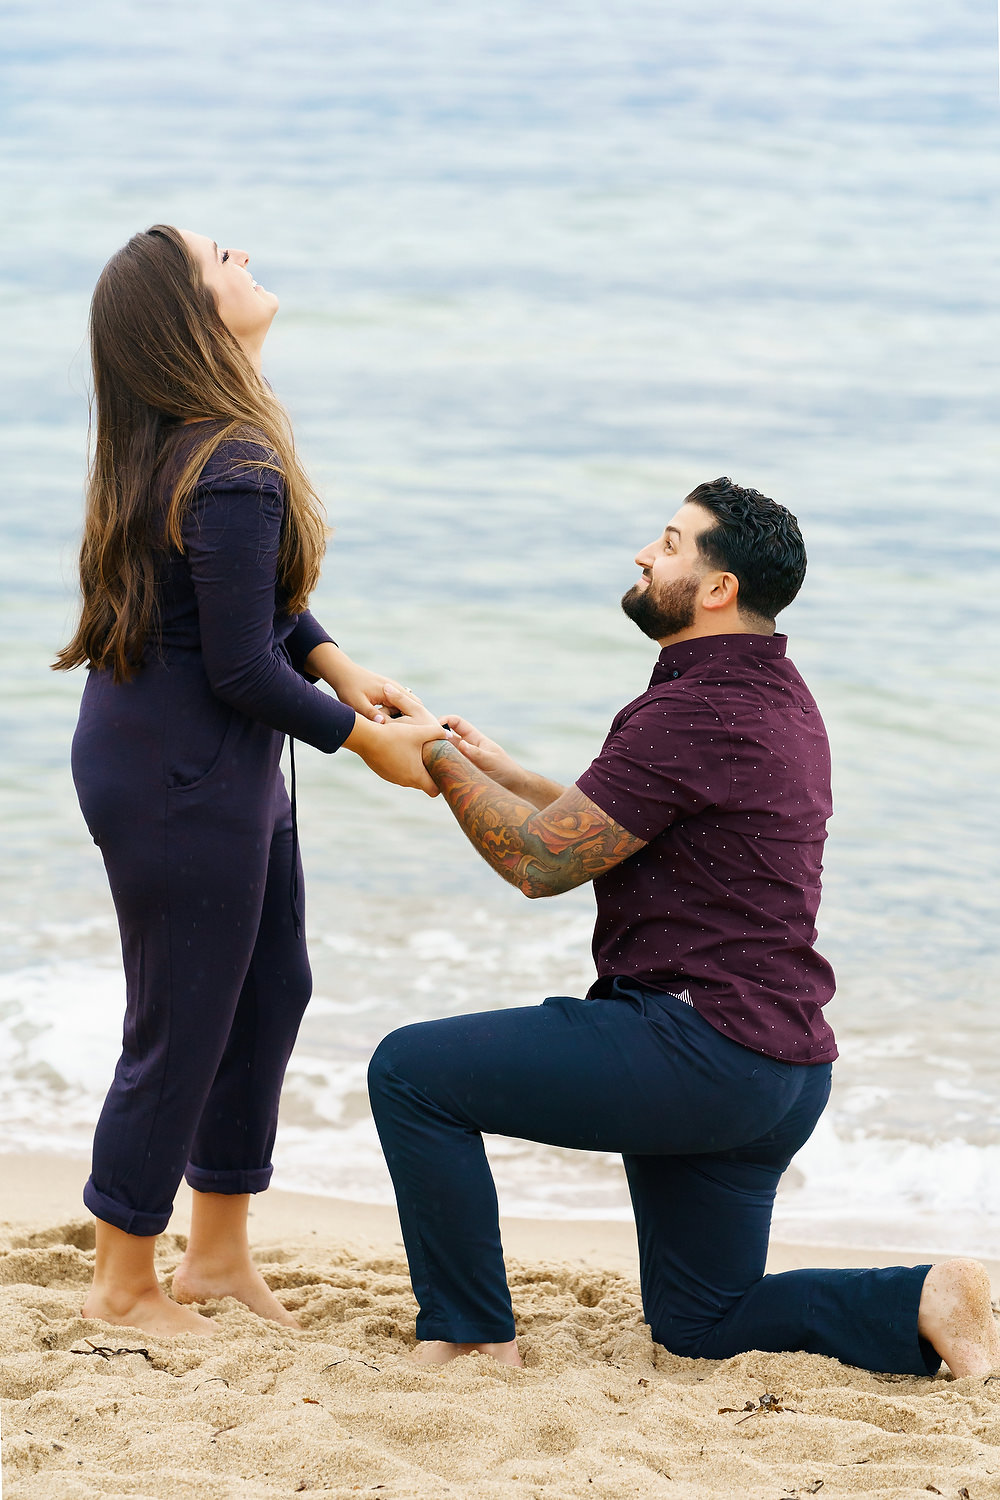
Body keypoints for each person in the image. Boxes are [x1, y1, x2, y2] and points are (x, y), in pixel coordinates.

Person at [369, 480, 1000, 1378]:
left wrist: (430, 758)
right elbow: (613, 828)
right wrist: (498, 773)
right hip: (776, 1071)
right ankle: (923, 1295)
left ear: (716, 589)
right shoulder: (776, 694)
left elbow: (541, 864)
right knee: (701, 1324)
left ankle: (471, 1335)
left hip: (695, 1051)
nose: (643, 554)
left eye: (669, 542)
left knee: (411, 1072)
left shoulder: (688, 712)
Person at [54, 224, 444, 1338]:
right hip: (180, 766)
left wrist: (334, 661)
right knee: (180, 1021)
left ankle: (216, 1259)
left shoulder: (194, 440)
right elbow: (233, 662)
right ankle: (123, 1283)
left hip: (184, 751)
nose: (244, 258)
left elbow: (248, 607)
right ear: (190, 317)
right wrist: (362, 741)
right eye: (219, 257)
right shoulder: (232, 459)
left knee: (267, 991)